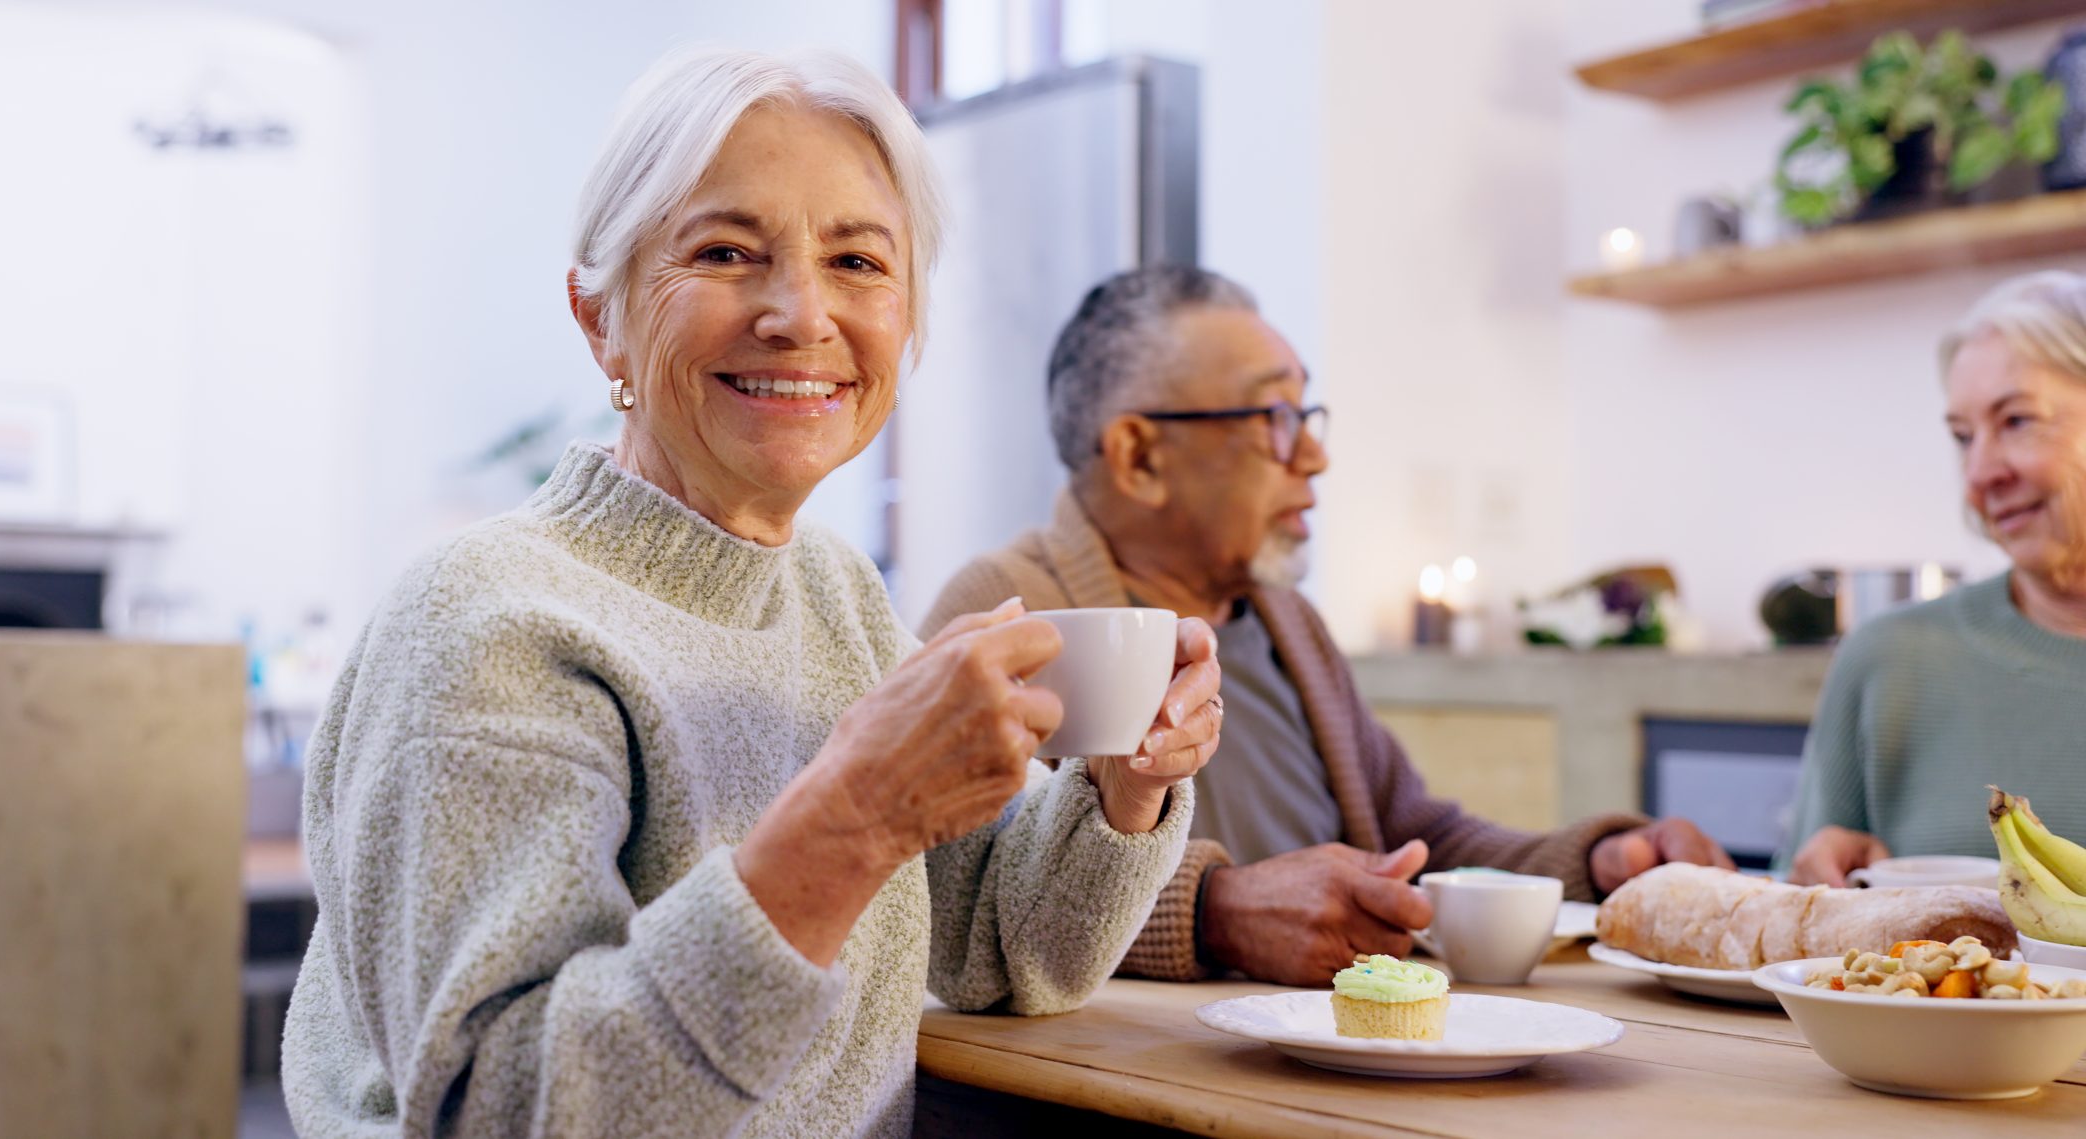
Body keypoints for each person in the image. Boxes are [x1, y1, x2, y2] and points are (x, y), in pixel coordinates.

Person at [281, 50, 1224, 1138]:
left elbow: (997, 953)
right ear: (602, 316)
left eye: (859, 261)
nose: (801, 315)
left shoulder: (834, 591)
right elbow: (502, 1106)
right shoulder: (490, 619)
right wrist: (854, 816)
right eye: (726, 252)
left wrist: (1121, 790)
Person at [920, 265, 1730, 987]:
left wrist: (1595, 865)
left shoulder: (1287, 622)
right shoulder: (1008, 607)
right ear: (1139, 457)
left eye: (1307, 413)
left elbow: (1417, 838)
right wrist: (1216, 908)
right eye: (1274, 415)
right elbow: (963, 895)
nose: (1313, 455)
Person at [1781, 270, 2086, 887]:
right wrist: (1818, 884)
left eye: (2017, 421)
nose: (1979, 473)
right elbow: (1796, 918)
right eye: (1962, 437)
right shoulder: (1890, 660)